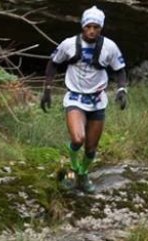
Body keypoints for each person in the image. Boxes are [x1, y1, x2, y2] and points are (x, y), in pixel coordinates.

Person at [40, 5, 128, 193]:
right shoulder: (69, 44)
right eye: (88, 26)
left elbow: (120, 70)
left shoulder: (109, 47)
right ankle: (72, 171)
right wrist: (47, 90)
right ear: (82, 26)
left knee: (90, 148)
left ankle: (83, 173)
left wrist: (122, 90)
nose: (92, 31)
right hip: (75, 98)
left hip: (97, 101)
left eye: (96, 27)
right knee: (78, 139)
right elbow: (53, 63)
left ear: (101, 28)